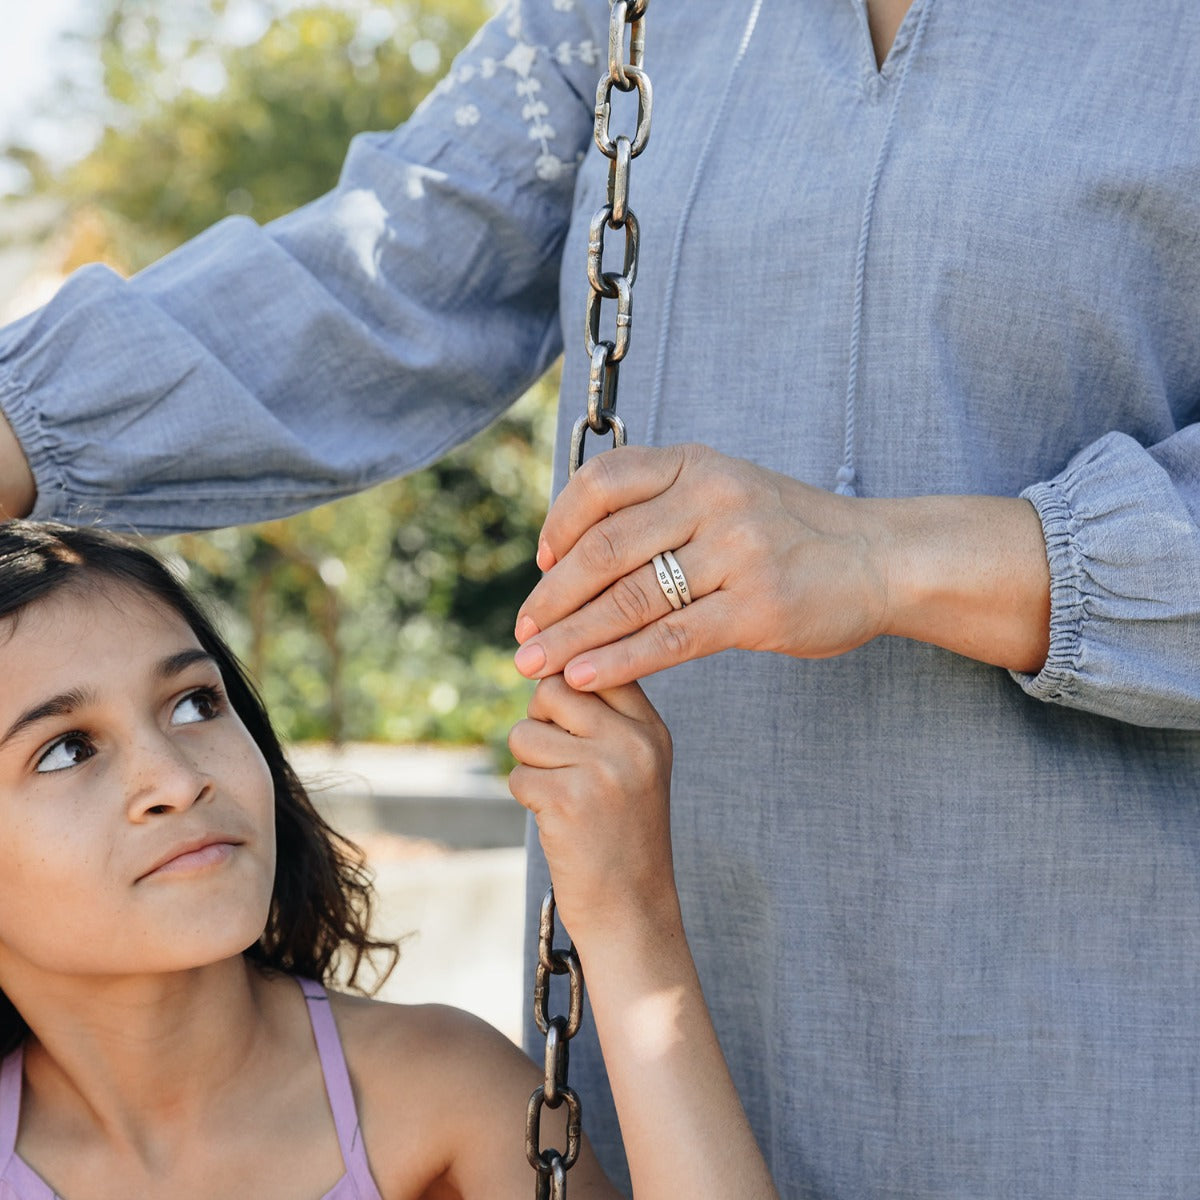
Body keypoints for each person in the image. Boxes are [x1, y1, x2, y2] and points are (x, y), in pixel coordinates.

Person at [2, 0, 1200, 1194]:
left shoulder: (420, 1095)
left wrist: (890, 560)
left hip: (1108, 1024)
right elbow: (390, 271)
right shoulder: (624, 15)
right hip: (669, 1029)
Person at [0, 519, 778, 1200]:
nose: (175, 779)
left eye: (196, 703)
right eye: (67, 750)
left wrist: (627, 920)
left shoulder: (437, 1097)